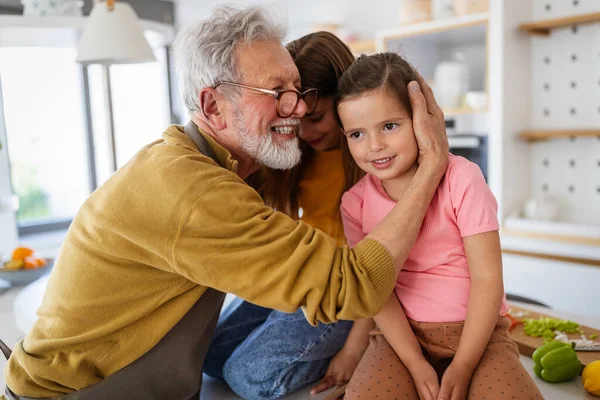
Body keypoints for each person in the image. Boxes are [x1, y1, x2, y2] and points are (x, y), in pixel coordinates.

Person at [1, 6, 449, 400]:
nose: (295, 109)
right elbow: (353, 286)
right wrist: (431, 165)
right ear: (213, 106)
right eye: (279, 93)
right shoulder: (196, 191)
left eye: (299, 91)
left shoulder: (190, 161)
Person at [335, 52, 543, 400]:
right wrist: (415, 363)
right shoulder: (354, 203)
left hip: (480, 336)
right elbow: (377, 293)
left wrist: (463, 365)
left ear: (421, 119)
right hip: (400, 340)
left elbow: (488, 279)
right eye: (357, 133)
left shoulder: (462, 178)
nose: (375, 146)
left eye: (389, 126)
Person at [203, 31, 368, 400]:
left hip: (343, 293)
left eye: (318, 117)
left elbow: (385, 268)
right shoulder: (290, 155)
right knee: (211, 358)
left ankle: (374, 347)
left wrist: (354, 349)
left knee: (248, 377)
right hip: (299, 277)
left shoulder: (371, 159)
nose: (305, 132)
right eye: (295, 119)